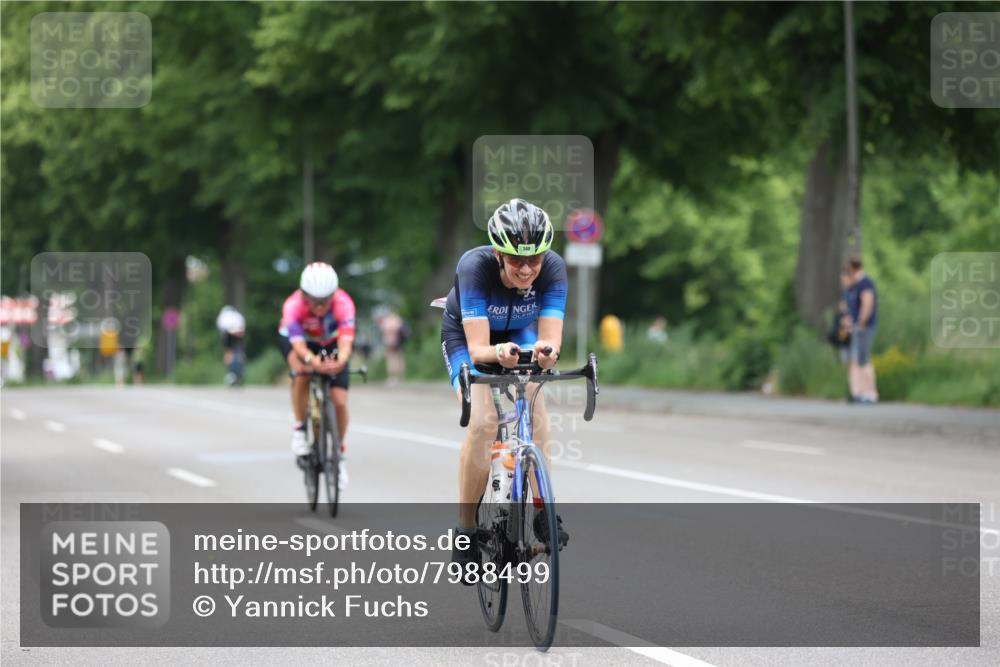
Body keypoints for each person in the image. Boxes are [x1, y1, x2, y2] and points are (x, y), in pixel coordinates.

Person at [438, 198, 568, 581]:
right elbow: (479, 350)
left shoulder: (553, 269)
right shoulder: (474, 267)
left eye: (534, 259)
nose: (526, 269)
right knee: (484, 421)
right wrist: (498, 354)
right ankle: (465, 532)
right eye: (515, 260)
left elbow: (550, 342)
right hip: (468, 338)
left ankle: (543, 509)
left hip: (520, 333)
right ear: (498, 253)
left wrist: (545, 355)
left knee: (535, 404)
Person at [278, 262, 356, 486]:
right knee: (301, 372)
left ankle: (339, 455)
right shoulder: (293, 306)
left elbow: (346, 341)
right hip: (301, 342)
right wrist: (313, 362)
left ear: (334, 294)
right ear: (304, 295)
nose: (320, 306)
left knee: (340, 401)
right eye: (314, 301)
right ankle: (300, 428)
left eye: (325, 300)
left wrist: (340, 360)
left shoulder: (344, 303)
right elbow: (298, 346)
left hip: (331, 342)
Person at [844, 257, 879, 404]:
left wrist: (861, 322)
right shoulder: (855, 285)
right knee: (857, 360)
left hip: (864, 327)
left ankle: (871, 393)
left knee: (864, 359)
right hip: (856, 327)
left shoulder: (865, 283)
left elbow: (867, 303)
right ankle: (861, 393)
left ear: (853, 268)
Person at [376, 306, 409, 386]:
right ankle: (401, 377)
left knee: (392, 360)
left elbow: (384, 329)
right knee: (399, 359)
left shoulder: (389, 320)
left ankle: (393, 377)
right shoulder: (398, 319)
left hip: (391, 342)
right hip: (398, 342)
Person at [216, 305, 246, 386]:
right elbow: (242, 328)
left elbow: (221, 328)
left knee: (229, 353)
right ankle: (239, 368)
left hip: (228, 334)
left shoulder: (223, 316)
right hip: (238, 334)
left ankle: (231, 372)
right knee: (238, 352)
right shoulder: (238, 315)